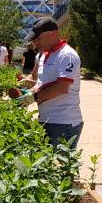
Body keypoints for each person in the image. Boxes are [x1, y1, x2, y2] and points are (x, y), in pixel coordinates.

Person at [15, 17, 83, 149]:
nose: (35, 42)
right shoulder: (46, 55)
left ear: (53, 34)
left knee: (65, 167)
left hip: (63, 122)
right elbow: (42, 83)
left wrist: (33, 97)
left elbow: (61, 88)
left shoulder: (66, 55)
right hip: (47, 119)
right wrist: (30, 89)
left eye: (38, 38)